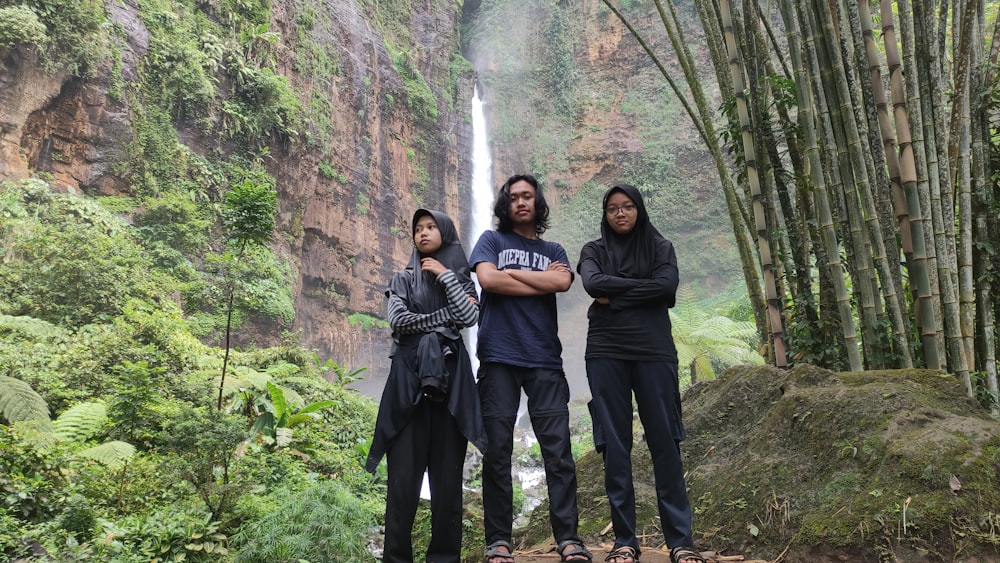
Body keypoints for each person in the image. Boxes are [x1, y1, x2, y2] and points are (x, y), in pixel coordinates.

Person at [576, 184, 704, 563]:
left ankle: (681, 543)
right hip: (605, 352)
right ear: (605, 213)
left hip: (654, 352)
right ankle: (624, 542)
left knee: (665, 442)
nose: (620, 213)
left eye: (628, 206)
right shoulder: (593, 250)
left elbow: (667, 286)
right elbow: (592, 283)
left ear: (639, 209)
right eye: (613, 208)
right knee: (616, 446)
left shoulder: (660, 248)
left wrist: (614, 297)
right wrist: (646, 290)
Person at [469, 174, 592, 563]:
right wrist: (540, 280)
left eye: (528, 196)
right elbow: (486, 279)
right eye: (514, 197)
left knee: (558, 451)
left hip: (544, 359)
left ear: (538, 204)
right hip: (498, 358)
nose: (521, 202)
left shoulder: (554, 246)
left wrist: (512, 277)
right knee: (497, 451)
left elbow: (563, 284)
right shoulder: (491, 241)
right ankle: (499, 542)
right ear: (505, 205)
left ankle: (568, 538)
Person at [366, 209, 487, 563]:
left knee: (447, 487)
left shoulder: (462, 280)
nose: (422, 233)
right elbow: (399, 321)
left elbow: (469, 317)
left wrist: (446, 277)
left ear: (445, 234)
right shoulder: (402, 279)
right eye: (417, 229)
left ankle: (444, 558)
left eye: (431, 227)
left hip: (451, 391)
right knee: (402, 486)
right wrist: (442, 320)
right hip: (408, 389)